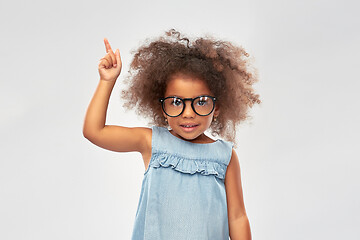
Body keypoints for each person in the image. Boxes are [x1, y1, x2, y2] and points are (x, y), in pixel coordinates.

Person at [83, 29, 261, 240]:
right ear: (161, 107)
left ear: (218, 107)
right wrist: (107, 81)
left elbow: (238, 217)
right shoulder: (152, 143)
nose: (188, 114)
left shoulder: (225, 156)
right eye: (176, 102)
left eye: (201, 102)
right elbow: (95, 132)